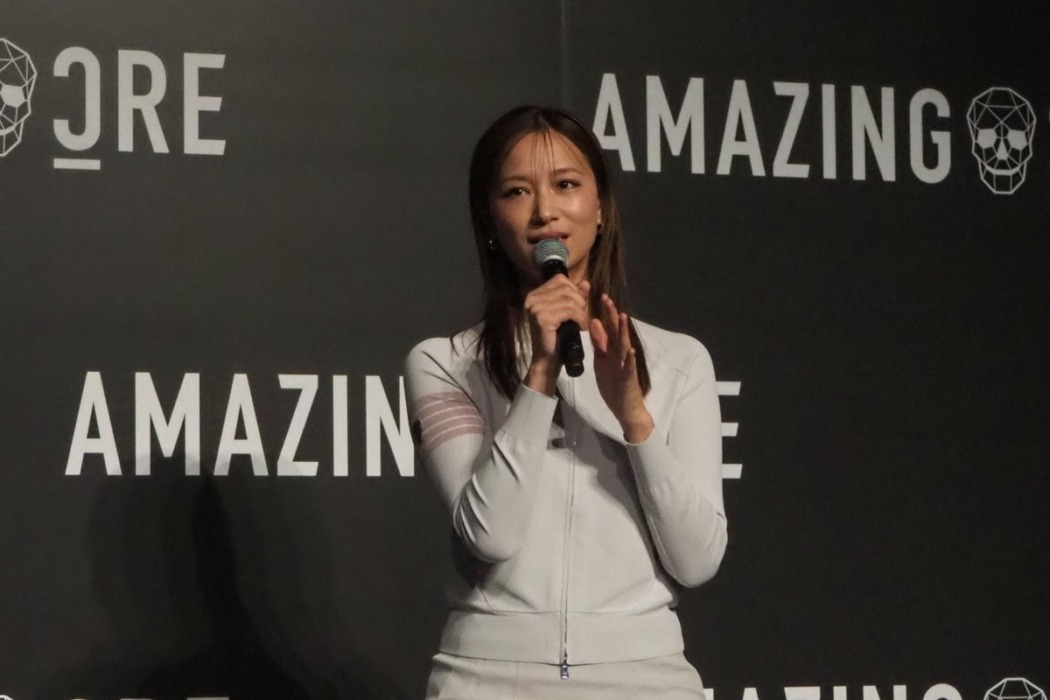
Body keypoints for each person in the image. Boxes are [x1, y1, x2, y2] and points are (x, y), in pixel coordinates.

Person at [404, 105, 727, 699]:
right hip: (487, 680)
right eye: (517, 191)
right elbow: (490, 535)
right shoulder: (444, 363)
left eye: (566, 184)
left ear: (601, 209)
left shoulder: (680, 361)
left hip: (648, 680)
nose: (544, 211)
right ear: (488, 220)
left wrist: (635, 418)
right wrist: (539, 377)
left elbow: (697, 560)